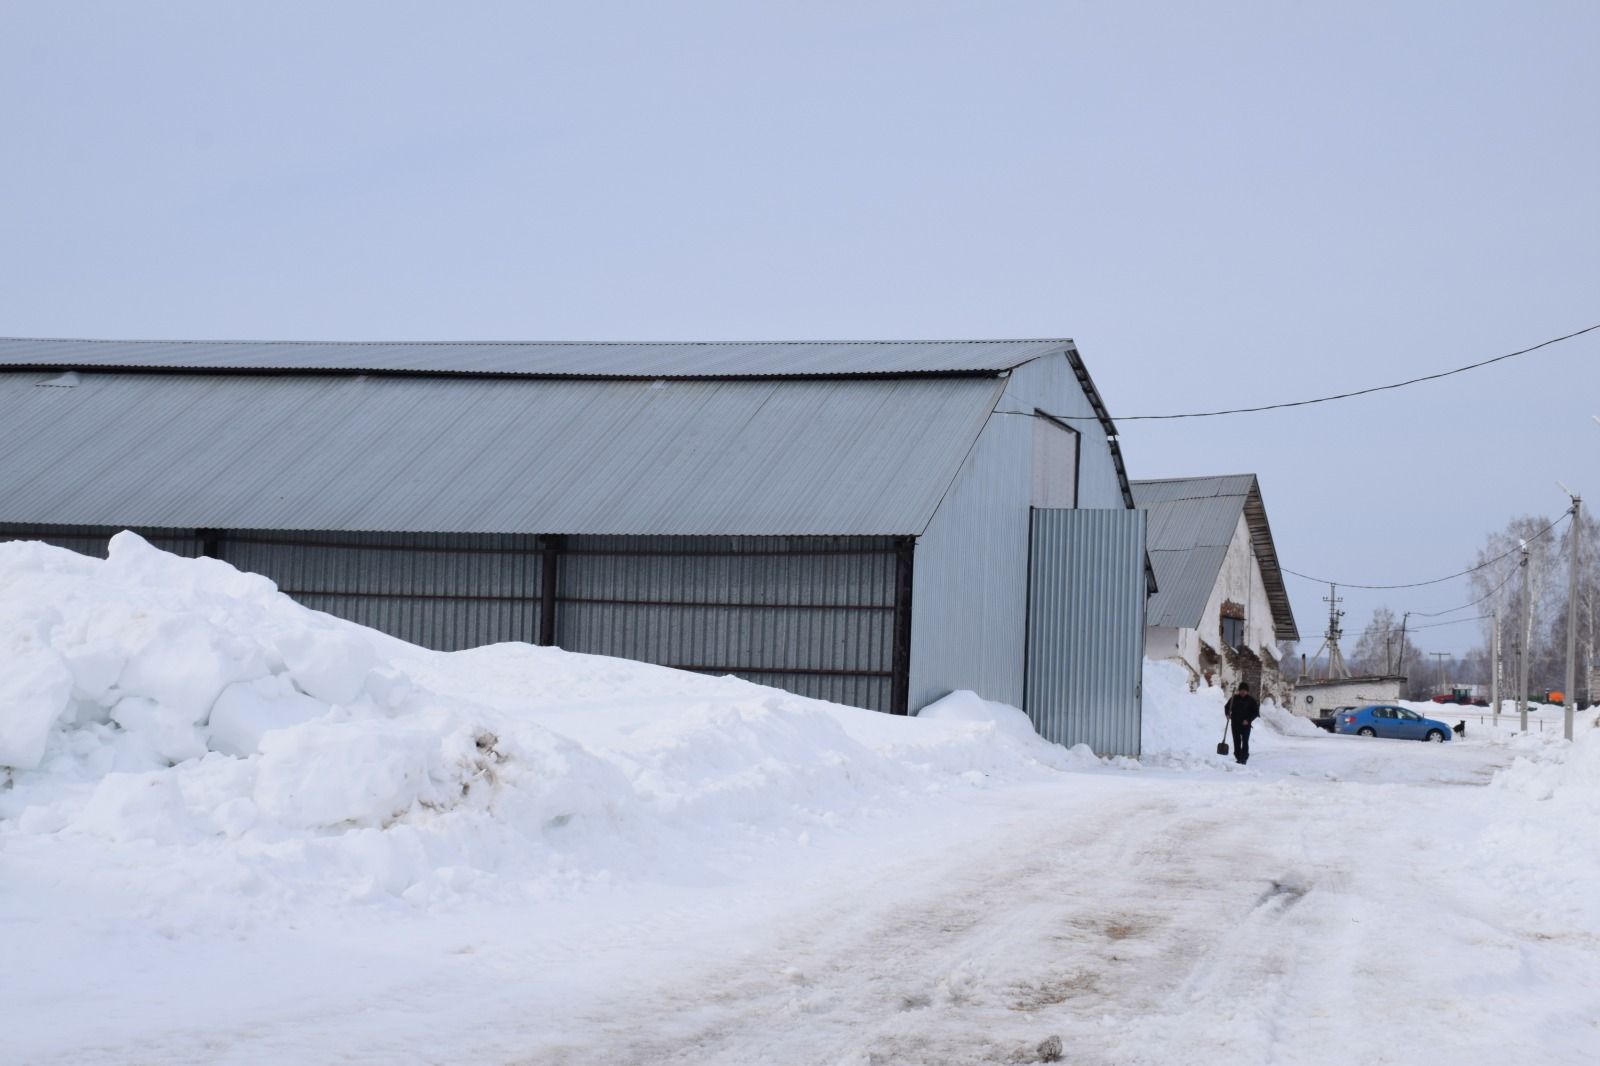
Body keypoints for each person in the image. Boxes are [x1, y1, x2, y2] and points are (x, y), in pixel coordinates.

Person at [1224, 682, 1260, 765]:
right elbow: (1227, 707)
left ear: (1247, 691)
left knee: (1245, 741)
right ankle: (1238, 757)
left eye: (1244, 690)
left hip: (1246, 725)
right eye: (1241, 690)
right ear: (1239, 691)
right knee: (1236, 742)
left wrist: (1248, 720)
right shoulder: (1234, 698)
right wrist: (1227, 714)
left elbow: (1256, 712)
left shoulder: (1251, 700)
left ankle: (1244, 758)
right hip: (1235, 724)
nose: (1243, 692)